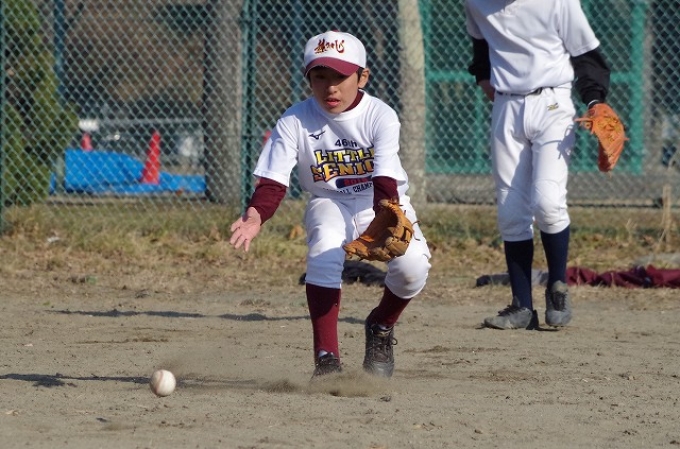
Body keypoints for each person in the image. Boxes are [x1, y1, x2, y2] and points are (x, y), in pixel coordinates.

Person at [229, 30, 431, 376]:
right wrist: (255, 215)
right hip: (329, 200)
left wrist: (384, 217)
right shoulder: (295, 119)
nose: (330, 87)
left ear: (362, 77)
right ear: (308, 78)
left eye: (340, 76)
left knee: (413, 270)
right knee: (324, 252)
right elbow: (274, 180)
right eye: (320, 76)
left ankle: (381, 325)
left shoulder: (380, 115)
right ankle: (326, 358)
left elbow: (384, 176)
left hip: (381, 203)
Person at [464, 0, 613, 329]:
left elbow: (586, 55)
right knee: (510, 210)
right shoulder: (476, 2)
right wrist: (485, 79)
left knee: (547, 201)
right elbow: (481, 48)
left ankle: (557, 286)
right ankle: (521, 306)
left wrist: (594, 100)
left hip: (552, 102)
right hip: (506, 105)